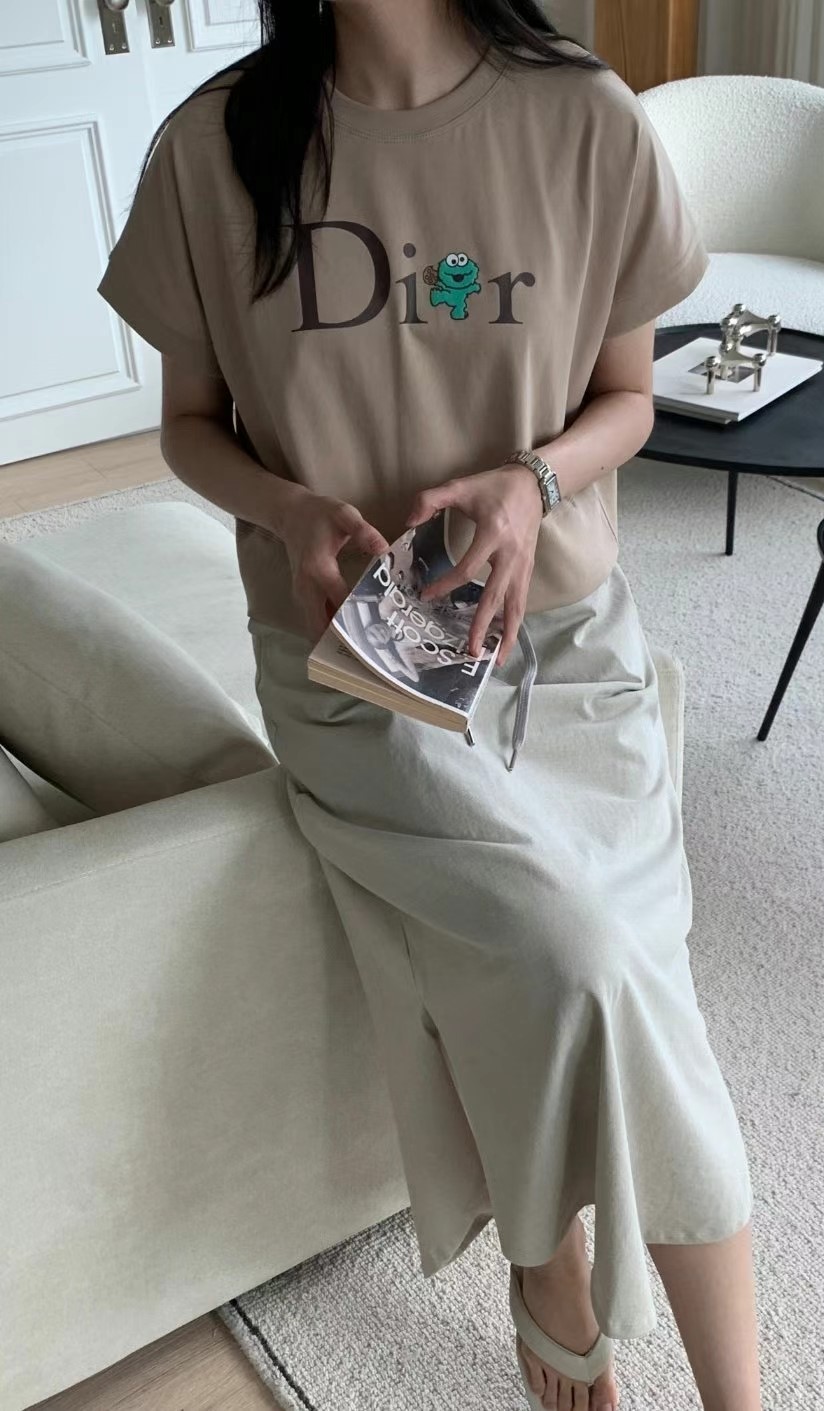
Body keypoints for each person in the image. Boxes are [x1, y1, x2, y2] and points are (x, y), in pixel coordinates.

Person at [96, 3, 762, 1408]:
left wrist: (533, 483)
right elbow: (188, 428)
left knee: (644, 978)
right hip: (356, 669)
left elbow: (631, 398)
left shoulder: (584, 117)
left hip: (567, 647)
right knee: (582, 951)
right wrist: (289, 511)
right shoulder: (213, 147)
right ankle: (547, 1258)